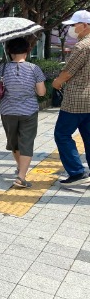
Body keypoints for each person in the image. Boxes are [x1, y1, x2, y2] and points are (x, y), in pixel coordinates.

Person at [0, 37, 46, 188]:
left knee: (14, 142)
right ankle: (21, 176)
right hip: (28, 111)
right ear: (27, 51)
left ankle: (20, 168)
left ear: (9, 51)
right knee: (26, 142)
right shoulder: (34, 69)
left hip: (8, 111)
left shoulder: (3, 68)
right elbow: (41, 93)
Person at [52, 10, 90, 185]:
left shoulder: (82, 46)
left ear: (85, 25)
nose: (72, 29)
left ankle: (77, 172)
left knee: (62, 133)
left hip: (76, 99)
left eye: (74, 25)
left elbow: (68, 72)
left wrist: (56, 83)